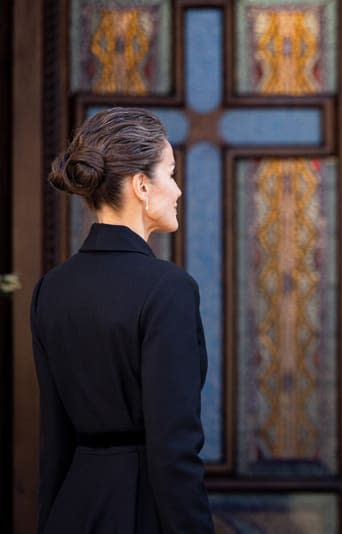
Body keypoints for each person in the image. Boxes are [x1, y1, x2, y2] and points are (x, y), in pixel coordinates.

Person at [30, 107, 214, 533]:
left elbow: (53, 445)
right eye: (171, 173)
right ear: (142, 186)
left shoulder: (49, 290)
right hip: (141, 512)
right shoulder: (169, 289)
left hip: (72, 512)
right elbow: (175, 449)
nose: (179, 190)